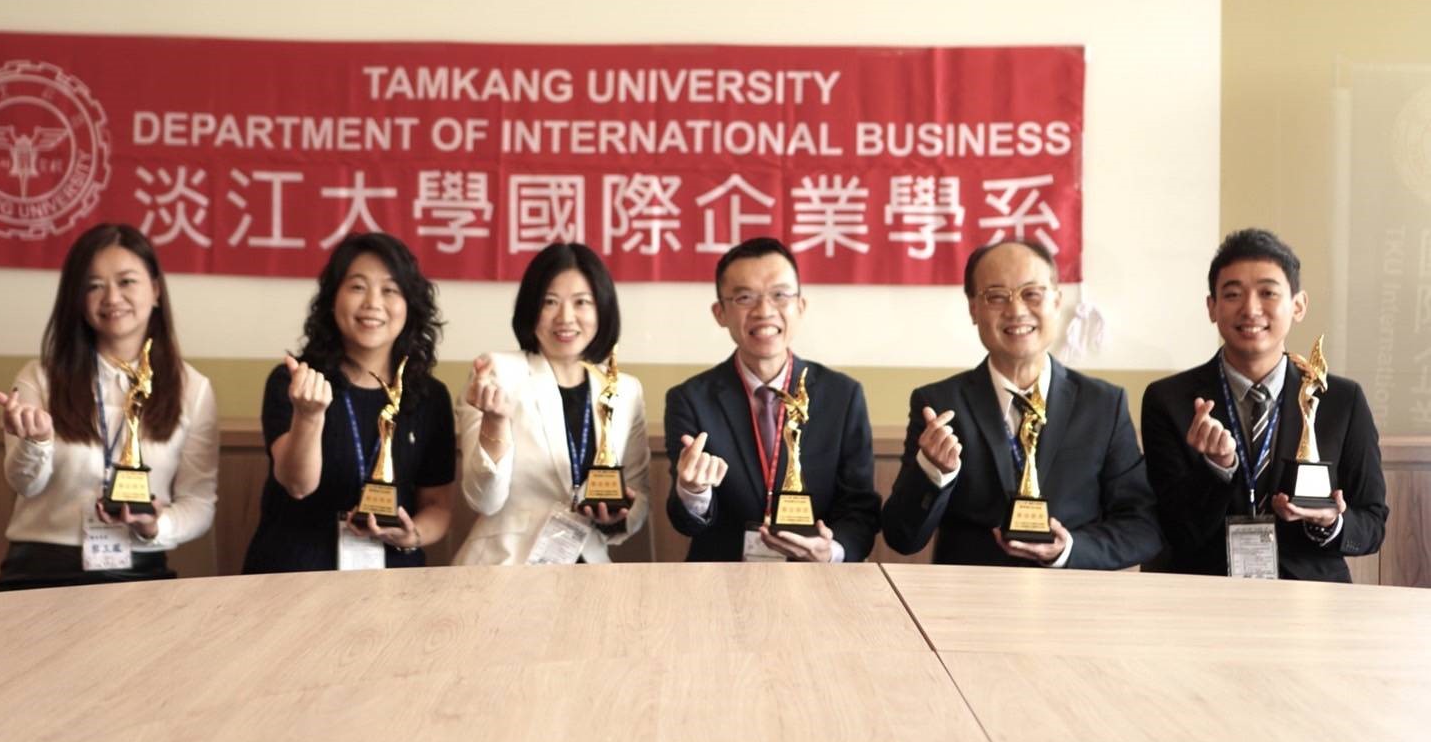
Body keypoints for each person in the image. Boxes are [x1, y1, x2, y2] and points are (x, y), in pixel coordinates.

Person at [881, 240, 1160, 569]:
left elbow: (1142, 527)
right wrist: (933, 471)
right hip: (970, 594)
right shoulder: (939, 406)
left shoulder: (1103, 405)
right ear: (973, 309)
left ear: (1057, 301)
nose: (1016, 310)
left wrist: (1069, 550)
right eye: (997, 296)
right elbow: (901, 537)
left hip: (1072, 593)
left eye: (1032, 294)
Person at [1141, 228, 1387, 580]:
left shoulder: (1340, 400)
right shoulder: (1169, 400)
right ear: (1212, 307)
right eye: (1233, 294)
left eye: (1268, 293)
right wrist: (1216, 468)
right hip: (1204, 590)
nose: (1250, 309)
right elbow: (1172, 530)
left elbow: (1372, 523)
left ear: (1298, 305)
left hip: (1309, 594)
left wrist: (1330, 522)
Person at [0, 223, 218, 590]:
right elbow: (25, 485)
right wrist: (36, 441)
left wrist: (156, 525)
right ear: (76, 299)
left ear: (155, 290)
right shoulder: (41, 377)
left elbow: (199, 504)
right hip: (41, 571)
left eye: (126, 281)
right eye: (93, 286)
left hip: (139, 570)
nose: (112, 297)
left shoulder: (192, 388)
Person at [242, 233, 456, 573]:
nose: (373, 302)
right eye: (357, 287)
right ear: (332, 299)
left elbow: (437, 505)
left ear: (410, 306)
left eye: (390, 290)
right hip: (294, 575)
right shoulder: (296, 382)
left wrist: (412, 535)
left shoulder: (430, 396)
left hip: (392, 579)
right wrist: (309, 416)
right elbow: (297, 485)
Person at [664, 237, 879, 562]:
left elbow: (860, 509)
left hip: (815, 578)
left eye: (780, 295)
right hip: (722, 577)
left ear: (800, 306)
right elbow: (687, 522)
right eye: (744, 297)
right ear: (720, 313)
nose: (764, 311)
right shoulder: (690, 399)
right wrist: (693, 490)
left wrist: (831, 552)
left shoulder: (843, 396)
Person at [454, 243, 650, 564]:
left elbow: (639, 495)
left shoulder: (626, 390)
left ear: (602, 309)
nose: (565, 318)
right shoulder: (497, 372)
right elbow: (483, 500)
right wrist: (495, 422)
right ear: (531, 308)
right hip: (506, 566)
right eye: (550, 302)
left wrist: (615, 518)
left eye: (581, 302)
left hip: (589, 568)